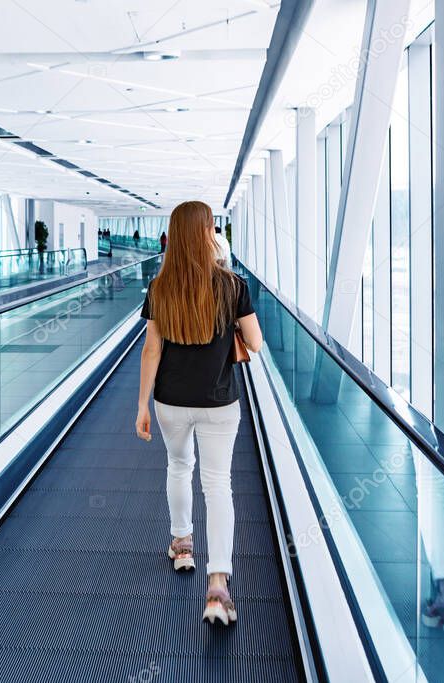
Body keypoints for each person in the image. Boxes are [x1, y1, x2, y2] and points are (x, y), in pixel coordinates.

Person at [135, 200, 263, 626]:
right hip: (219, 402)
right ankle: (218, 585)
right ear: (209, 232)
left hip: (170, 400)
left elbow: (152, 348)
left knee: (177, 465)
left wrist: (141, 404)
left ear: (173, 235)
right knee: (218, 485)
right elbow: (256, 343)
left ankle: (182, 545)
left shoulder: (160, 287)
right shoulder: (232, 285)